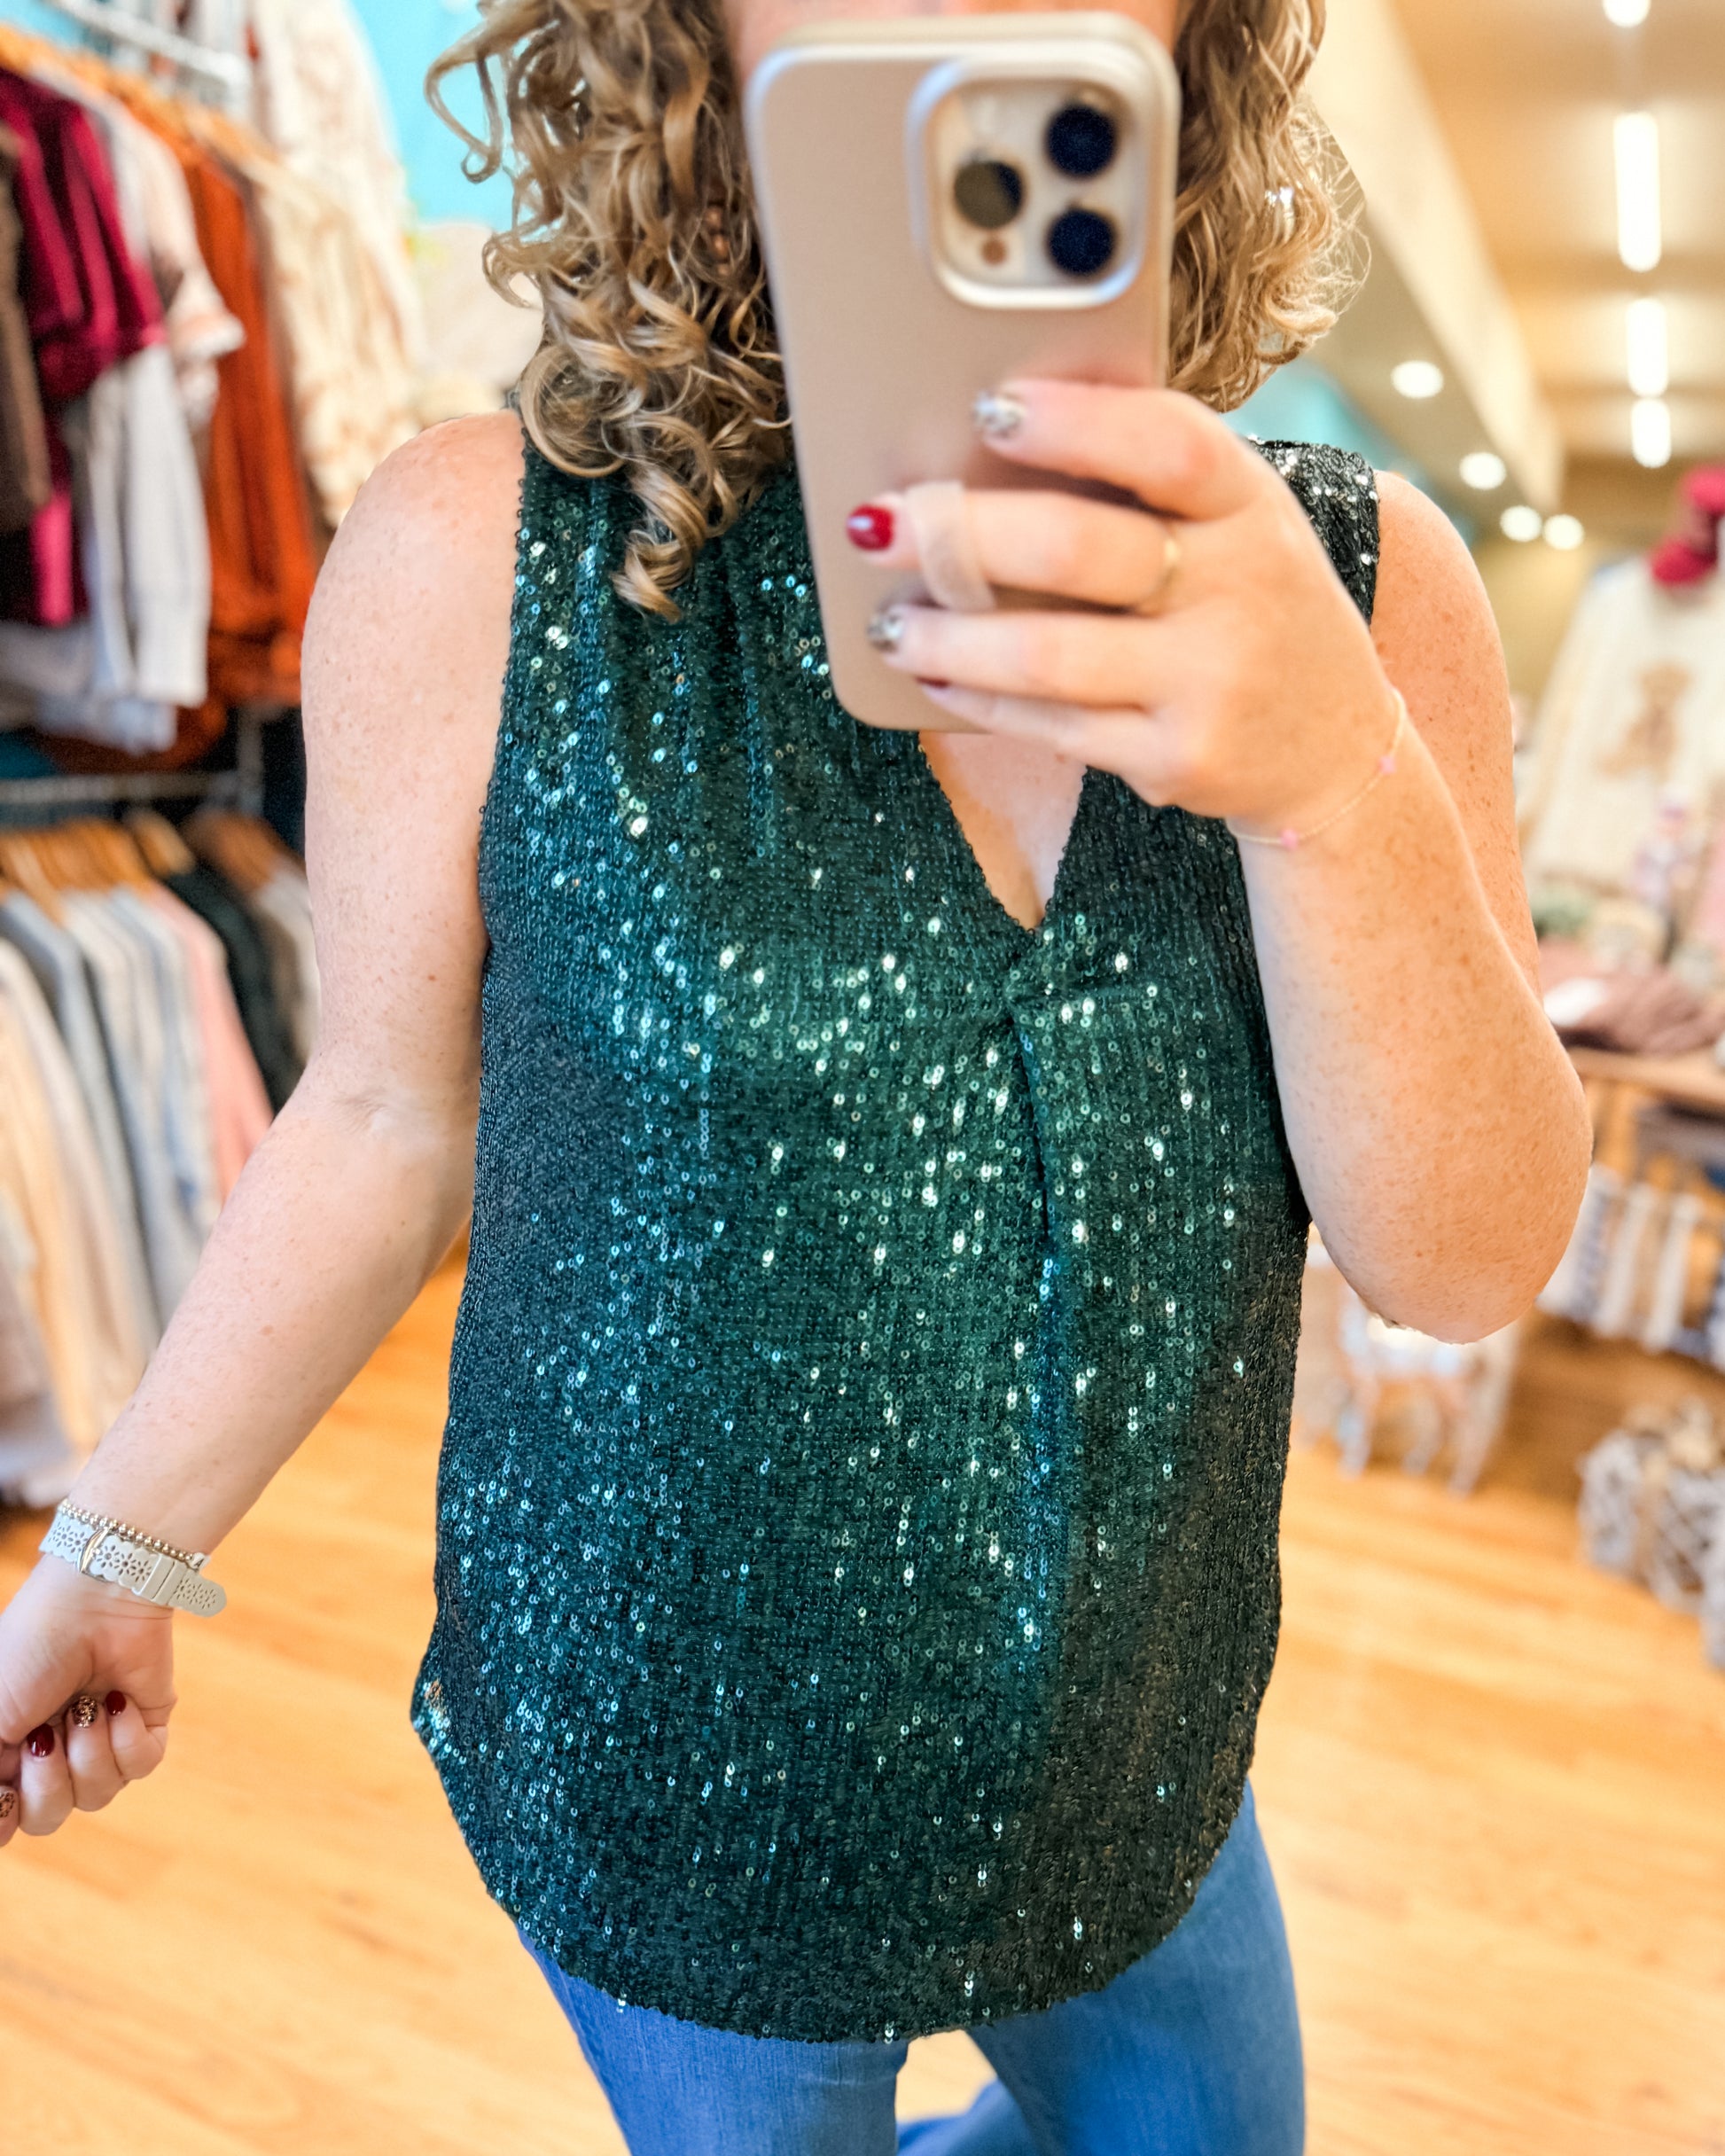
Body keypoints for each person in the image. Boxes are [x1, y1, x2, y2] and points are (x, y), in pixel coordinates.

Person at [0, 1, 1590, 2149]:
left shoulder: (1363, 602)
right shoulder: (478, 561)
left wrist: (1327, 783)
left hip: (1127, 1748)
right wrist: (115, 1547)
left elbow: (1463, 1263)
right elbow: (381, 1114)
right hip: (673, 1780)